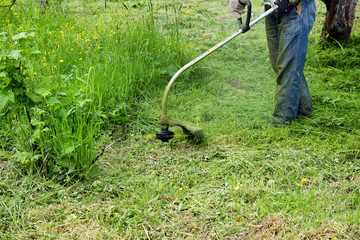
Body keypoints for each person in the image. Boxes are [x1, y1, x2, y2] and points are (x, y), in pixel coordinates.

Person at [229, 0, 316, 126]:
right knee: (279, 63)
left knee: (288, 66)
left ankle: (282, 120)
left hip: (295, 10)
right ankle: (304, 109)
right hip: (272, 8)